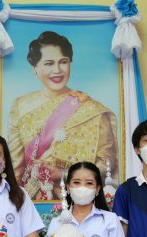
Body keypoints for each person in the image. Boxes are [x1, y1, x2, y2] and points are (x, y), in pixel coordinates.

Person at [8, 31, 118, 201]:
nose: (57, 70)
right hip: (30, 201)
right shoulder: (20, 106)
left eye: (63, 62)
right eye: (49, 63)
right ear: (34, 68)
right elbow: (14, 166)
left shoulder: (91, 109)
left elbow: (107, 164)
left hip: (79, 200)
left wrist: (64, 174)